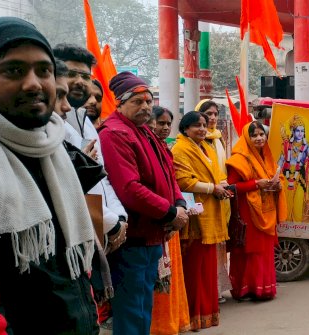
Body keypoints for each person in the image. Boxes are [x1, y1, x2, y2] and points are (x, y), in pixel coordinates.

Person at [0, 17, 99, 334]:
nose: (34, 83)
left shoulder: (53, 148)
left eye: (44, 71)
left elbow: (75, 266)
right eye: (13, 70)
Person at [98, 71, 188, 335]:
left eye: (148, 101)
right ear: (120, 103)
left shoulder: (143, 132)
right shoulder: (114, 133)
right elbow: (130, 189)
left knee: (142, 308)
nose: (146, 107)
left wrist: (179, 203)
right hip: (133, 239)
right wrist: (170, 213)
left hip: (153, 234)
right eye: (138, 101)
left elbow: (168, 172)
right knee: (132, 311)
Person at [55, 43, 128, 257]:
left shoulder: (86, 122)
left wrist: (119, 218)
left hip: (99, 232)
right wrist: (111, 224)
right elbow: (66, 184)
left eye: (85, 76)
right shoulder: (49, 123)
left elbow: (102, 178)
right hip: (69, 237)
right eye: (71, 73)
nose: (79, 81)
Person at [172, 111, 231, 329]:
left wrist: (221, 186)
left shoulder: (204, 147)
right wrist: (212, 188)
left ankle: (207, 315)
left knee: (207, 269)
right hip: (195, 217)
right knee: (195, 270)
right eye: (197, 125)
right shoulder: (180, 149)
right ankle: (193, 317)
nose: (202, 129)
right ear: (185, 128)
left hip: (211, 211)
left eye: (204, 124)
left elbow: (214, 175)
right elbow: (183, 181)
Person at [226, 121, 287, 300]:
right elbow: (231, 186)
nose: (259, 138)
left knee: (265, 249)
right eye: (254, 135)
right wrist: (255, 184)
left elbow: (278, 176)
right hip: (248, 212)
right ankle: (246, 289)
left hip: (267, 209)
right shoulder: (238, 159)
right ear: (247, 138)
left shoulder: (267, 156)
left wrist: (278, 184)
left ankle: (264, 289)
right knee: (250, 250)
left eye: (262, 134)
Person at [148, 105, 191, 335]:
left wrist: (180, 206)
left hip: (172, 218)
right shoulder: (144, 147)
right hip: (157, 220)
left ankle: (170, 322)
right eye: (160, 122)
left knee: (169, 276)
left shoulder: (165, 149)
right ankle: (158, 327)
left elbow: (172, 182)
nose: (164, 127)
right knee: (156, 279)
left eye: (168, 124)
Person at [196, 99, 233, 302]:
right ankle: (206, 291)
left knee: (218, 248)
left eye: (215, 114)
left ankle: (216, 289)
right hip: (205, 198)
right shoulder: (197, 141)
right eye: (207, 114)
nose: (212, 118)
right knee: (205, 247)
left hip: (221, 196)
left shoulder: (217, 139)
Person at [278, 114, 309, 222]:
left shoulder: (307, 146)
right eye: (298, 131)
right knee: (286, 200)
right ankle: (285, 222)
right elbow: (281, 160)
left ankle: (297, 224)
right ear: (293, 131)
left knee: (298, 201)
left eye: (302, 131)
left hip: (300, 175)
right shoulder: (286, 145)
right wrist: (275, 174)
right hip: (286, 174)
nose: (300, 133)